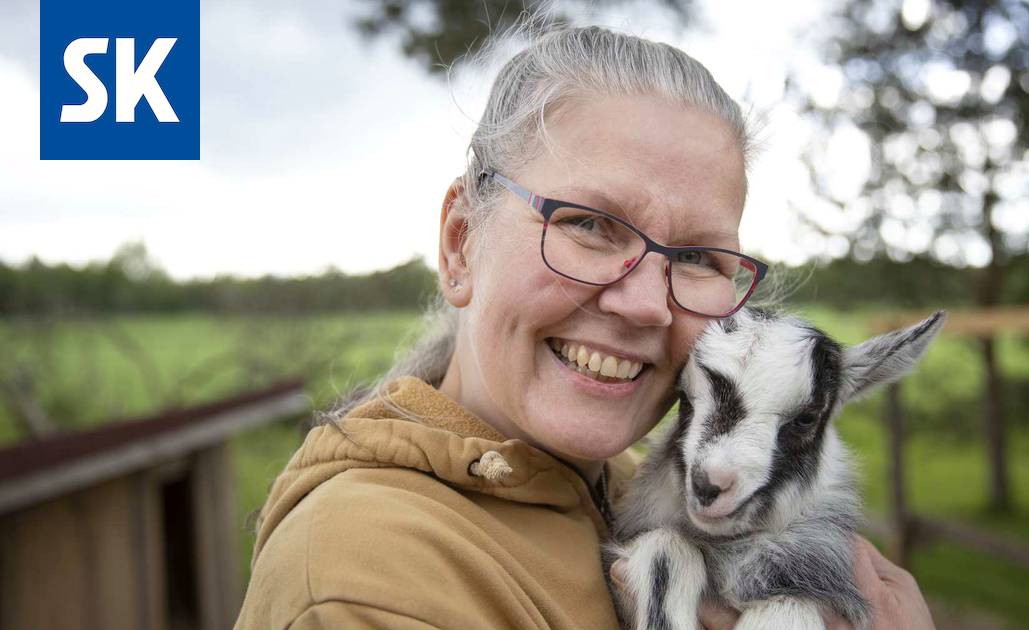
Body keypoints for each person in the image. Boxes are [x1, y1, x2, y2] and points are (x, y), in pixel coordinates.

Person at [234, 24, 935, 630]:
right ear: (459, 243)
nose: (642, 304)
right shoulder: (368, 574)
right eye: (589, 225)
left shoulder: (640, 492)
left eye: (696, 257)